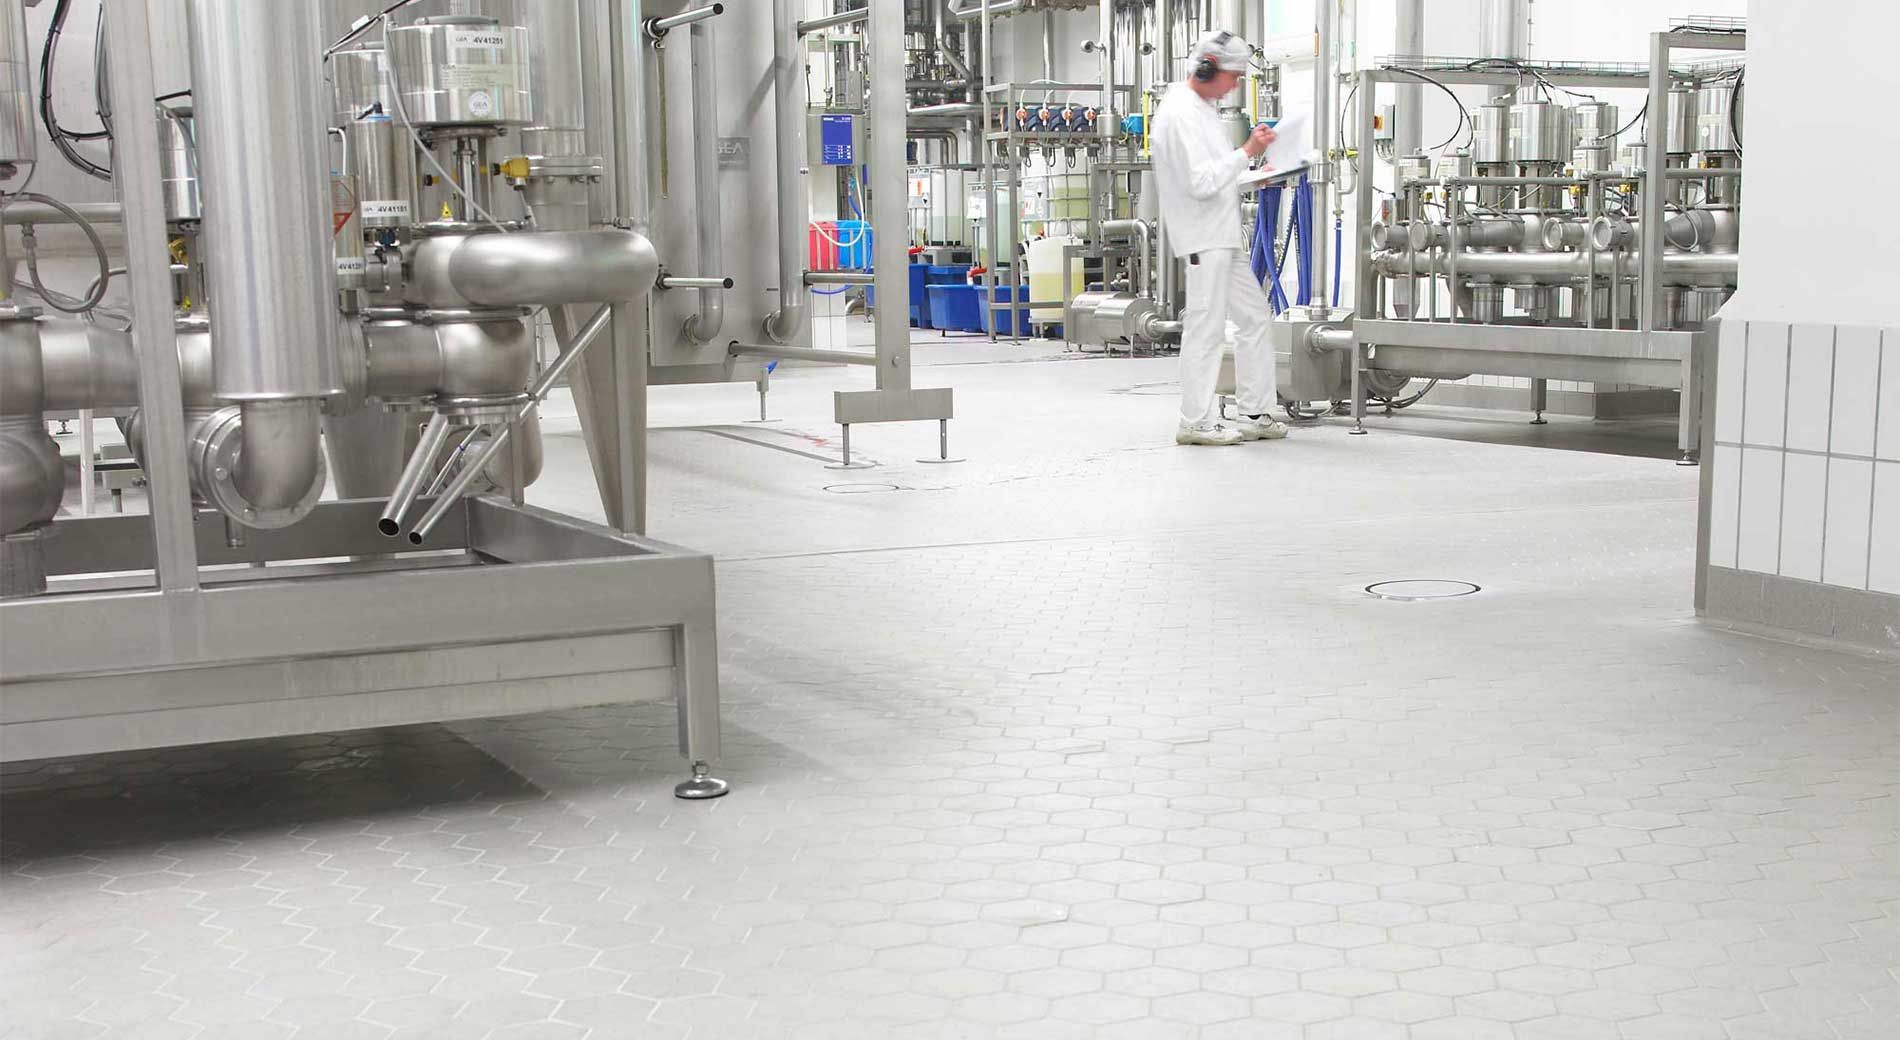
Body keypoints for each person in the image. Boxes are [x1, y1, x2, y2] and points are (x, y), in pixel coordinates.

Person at [1151, 30, 1288, 446]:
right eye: (1234, 75)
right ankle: (1194, 421)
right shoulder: (1180, 113)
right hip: (1203, 238)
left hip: (1223, 235)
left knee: (1255, 317)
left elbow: (1219, 173)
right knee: (1205, 328)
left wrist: (1256, 176)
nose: (1236, 84)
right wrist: (1247, 151)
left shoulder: (1203, 109)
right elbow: (1200, 181)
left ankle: (1254, 410)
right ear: (1208, 68)